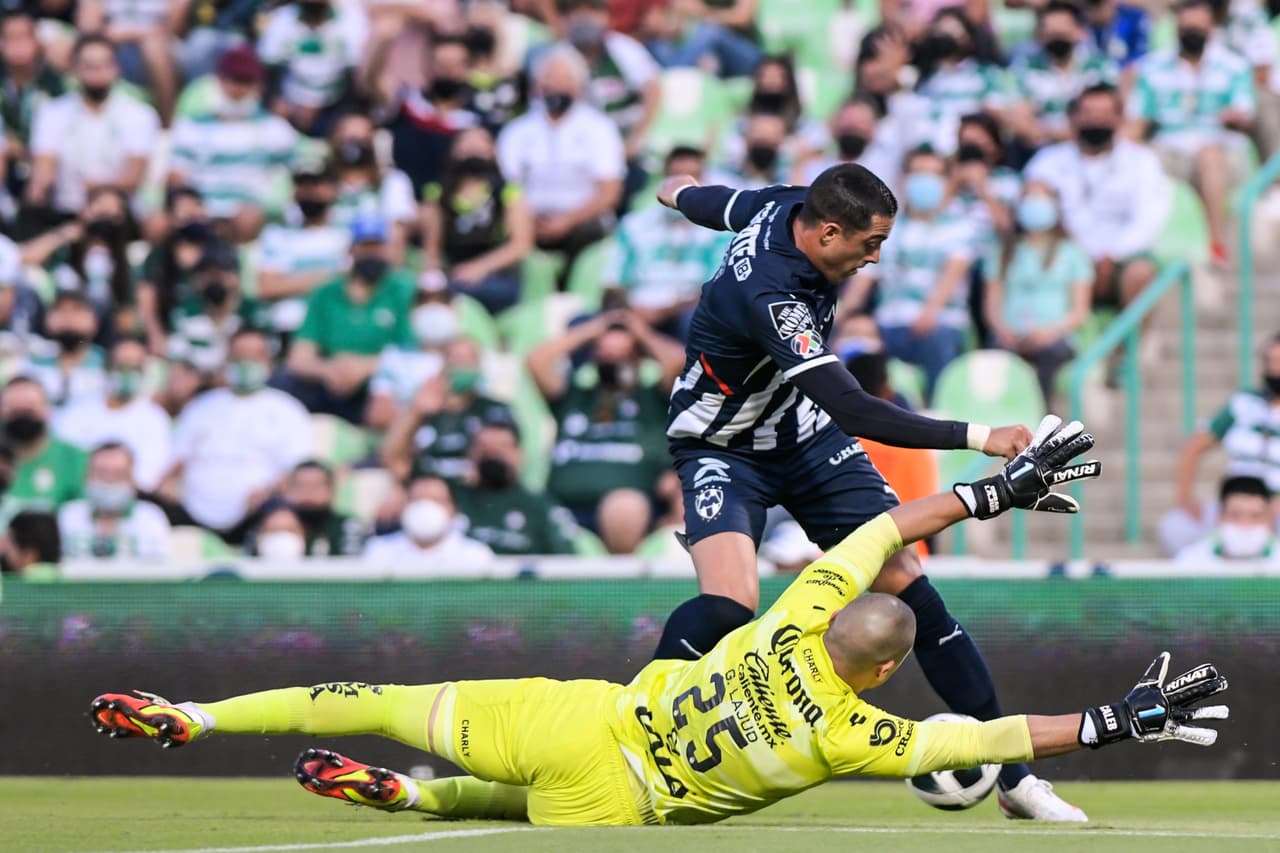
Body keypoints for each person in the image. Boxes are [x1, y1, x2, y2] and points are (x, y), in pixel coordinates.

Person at [94, 424, 1226, 828]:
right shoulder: (857, 736)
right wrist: (1120, 719)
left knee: (379, 702)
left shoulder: (795, 614)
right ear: (884, 678)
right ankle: (422, 801)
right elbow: (998, 737)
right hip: (618, 801)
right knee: (524, 811)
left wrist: (993, 487)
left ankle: (196, 716)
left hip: (572, 714)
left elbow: (880, 531)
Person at [650, 163, 1084, 819]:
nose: (874, 258)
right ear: (826, 233)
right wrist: (980, 434)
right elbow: (858, 410)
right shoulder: (774, 297)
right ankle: (634, 720)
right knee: (729, 602)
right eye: (869, 243)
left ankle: (1014, 777)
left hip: (804, 436)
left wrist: (679, 191)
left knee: (908, 580)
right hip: (721, 445)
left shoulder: (786, 204)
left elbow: (717, 203)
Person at [527, 310, 683, 554]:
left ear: (640, 358)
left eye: (623, 356)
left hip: (629, 513)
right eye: (606, 355)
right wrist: (594, 330)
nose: (613, 362)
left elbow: (680, 362)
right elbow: (537, 360)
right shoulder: (575, 397)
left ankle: (618, 583)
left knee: (624, 506)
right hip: (563, 507)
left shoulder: (653, 399)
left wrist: (640, 333)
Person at [1127, 0, 1254, 266]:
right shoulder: (1152, 68)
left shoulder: (1234, 67)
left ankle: (1217, 245)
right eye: (1186, 28)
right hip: (1169, 148)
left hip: (1221, 151)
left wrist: (1232, 118)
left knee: (1209, 156)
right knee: (1135, 160)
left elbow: (1244, 114)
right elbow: (1137, 120)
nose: (1191, 33)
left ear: (1212, 28)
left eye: (1198, 27)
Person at [1024, 83, 1167, 311]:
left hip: (1119, 259)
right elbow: (1034, 216)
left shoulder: (1142, 162)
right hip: (1064, 257)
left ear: (1120, 119)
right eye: (1088, 114)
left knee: (1140, 273)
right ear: (1073, 119)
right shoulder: (1047, 162)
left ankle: (1137, 347)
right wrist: (1081, 256)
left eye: (1104, 114)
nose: (1096, 121)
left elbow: (1148, 220)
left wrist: (1111, 255)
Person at [497, 44, 625, 291]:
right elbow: (508, 186)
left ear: (578, 86)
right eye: (549, 79)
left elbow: (609, 192)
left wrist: (568, 220)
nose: (555, 86)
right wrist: (527, 221)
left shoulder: (599, 129)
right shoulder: (516, 132)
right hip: (528, 222)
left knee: (591, 235)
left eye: (563, 79)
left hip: (583, 223)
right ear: (536, 86)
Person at [165, 328, 313, 542]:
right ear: (227, 360)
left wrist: (270, 491)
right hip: (191, 512)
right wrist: (168, 483)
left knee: (282, 519)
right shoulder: (200, 406)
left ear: (269, 362)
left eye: (254, 356)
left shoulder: (288, 409)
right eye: (239, 356)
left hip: (256, 514)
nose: (246, 363)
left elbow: (298, 471)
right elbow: (177, 460)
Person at [852, 147, 973, 401]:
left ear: (946, 181)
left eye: (934, 173)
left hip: (939, 322)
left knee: (937, 338)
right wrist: (843, 316)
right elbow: (863, 282)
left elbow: (951, 277)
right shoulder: (886, 228)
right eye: (918, 172)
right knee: (852, 340)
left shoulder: (960, 226)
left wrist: (928, 313)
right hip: (888, 324)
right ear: (904, 179)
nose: (925, 180)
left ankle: (938, 417)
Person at [281, 215, 415, 423]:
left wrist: (365, 367)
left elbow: (414, 352)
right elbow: (299, 357)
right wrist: (328, 370)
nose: (372, 254)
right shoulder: (326, 292)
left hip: (381, 381)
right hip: (331, 381)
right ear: (351, 249)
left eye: (377, 246)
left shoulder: (404, 288)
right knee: (283, 384)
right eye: (365, 246)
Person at [1160, 334, 1280, 555]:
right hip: (1233, 501)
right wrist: (1185, 498)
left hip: (1275, 506)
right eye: (1269, 362)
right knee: (1176, 527)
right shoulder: (1245, 402)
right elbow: (1194, 448)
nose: (1274, 370)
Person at [167, 45, 297, 242]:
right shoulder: (191, 127)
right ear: (218, 81)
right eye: (233, 80)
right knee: (159, 222)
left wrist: (268, 203)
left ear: (258, 85)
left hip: (250, 211)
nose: (238, 89)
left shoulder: (275, 129)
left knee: (248, 218)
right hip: (201, 208)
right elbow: (178, 175)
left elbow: (293, 174)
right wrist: (188, 203)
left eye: (246, 81)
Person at [24, 33, 160, 221]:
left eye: (104, 65)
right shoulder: (52, 112)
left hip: (118, 213)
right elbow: (44, 164)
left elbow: (134, 176)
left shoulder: (139, 114)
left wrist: (97, 188)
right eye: (89, 66)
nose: (98, 73)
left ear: (116, 68)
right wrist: (39, 187)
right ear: (75, 69)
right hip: (66, 211)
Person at [604, 146, 732, 340]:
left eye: (693, 177)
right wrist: (631, 311)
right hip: (636, 310)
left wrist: (664, 311)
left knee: (700, 320)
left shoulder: (721, 232)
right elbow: (614, 284)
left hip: (687, 313)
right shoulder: (633, 225)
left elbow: (714, 290)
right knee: (586, 323)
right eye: (676, 176)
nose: (684, 185)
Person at [983, 182, 1093, 405]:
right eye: (1029, 197)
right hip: (1010, 336)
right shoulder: (1003, 252)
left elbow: (1079, 312)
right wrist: (1004, 331)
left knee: (1049, 356)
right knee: (996, 361)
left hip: (1055, 337)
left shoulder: (1072, 253)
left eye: (1042, 197)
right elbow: (991, 307)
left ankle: (1040, 420)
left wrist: (1049, 332)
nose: (1034, 203)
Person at [421, 127, 534, 316]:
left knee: (459, 291)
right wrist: (430, 280)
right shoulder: (439, 194)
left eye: (479, 143)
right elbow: (431, 249)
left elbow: (521, 246)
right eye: (466, 143)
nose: (472, 149)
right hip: (454, 275)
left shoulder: (509, 192)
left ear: (492, 150)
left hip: (498, 278)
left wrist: (479, 268)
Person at [844, 351, 939, 559]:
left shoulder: (831, 443)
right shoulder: (913, 446)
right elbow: (931, 515)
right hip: (907, 557)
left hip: (840, 556)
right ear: (886, 390)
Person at [381, 335, 513, 483]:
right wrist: (415, 412)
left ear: (479, 366)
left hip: (476, 493)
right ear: (443, 364)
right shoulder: (422, 412)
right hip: (427, 490)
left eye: (468, 359)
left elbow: (511, 465)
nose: (461, 365)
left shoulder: (495, 411)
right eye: (455, 358)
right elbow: (395, 462)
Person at [54, 336, 172, 493]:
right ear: (107, 368)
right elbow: (62, 460)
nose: (128, 373)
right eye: (121, 366)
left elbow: (149, 477)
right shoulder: (77, 410)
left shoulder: (155, 418)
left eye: (136, 367)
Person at [453, 418, 579, 556]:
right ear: (471, 454)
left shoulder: (540, 506)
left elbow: (567, 562)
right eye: (484, 449)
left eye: (502, 448)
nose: (493, 455)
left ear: (519, 455)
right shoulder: (453, 499)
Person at [1009, 1, 1120, 151]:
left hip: (1093, 147)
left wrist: (1053, 133)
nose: (1057, 40)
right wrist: (1061, 135)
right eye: (1051, 34)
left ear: (1080, 32)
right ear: (1040, 36)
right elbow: (1021, 122)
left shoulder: (1100, 66)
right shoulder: (1025, 67)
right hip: (1042, 151)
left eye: (1062, 34)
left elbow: (1111, 114)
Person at [256, 162, 350, 336]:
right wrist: (325, 278)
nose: (309, 192)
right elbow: (267, 287)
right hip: (290, 326)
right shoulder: (277, 234)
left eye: (316, 184)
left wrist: (291, 282)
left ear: (333, 189)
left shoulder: (348, 231)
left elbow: (353, 281)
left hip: (337, 326)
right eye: (302, 185)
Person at [258, 0, 367, 137]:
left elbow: (355, 76)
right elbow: (268, 69)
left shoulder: (350, 20)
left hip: (336, 105)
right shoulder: (281, 18)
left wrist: (347, 113)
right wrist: (277, 101)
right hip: (289, 104)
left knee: (355, 127)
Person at [57, 441, 170, 560]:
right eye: (102, 473)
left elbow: (158, 569)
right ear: (87, 476)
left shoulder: (150, 518)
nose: (109, 482)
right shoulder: (68, 516)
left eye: (118, 474)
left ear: (131, 479)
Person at [362, 473, 494, 570]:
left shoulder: (476, 555)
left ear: (454, 510)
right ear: (404, 507)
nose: (426, 508)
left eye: (436, 500)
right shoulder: (378, 551)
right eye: (418, 500)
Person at [0, 376, 87, 519]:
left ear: (48, 409)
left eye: (30, 407)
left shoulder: (75, 459)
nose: (22, 415)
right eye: (13, 408)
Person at [19, 289, 106, 408]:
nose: (68, 317)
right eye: (60, 310)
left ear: (94, 321)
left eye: (77, 309)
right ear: (47, 319)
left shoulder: (108, 365)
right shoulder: (31, 366)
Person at [1177, 475, 1280, 564]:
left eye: (1255, 516)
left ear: (1270, 519)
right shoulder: (1191, 561)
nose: (1245, 525)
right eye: (1235, 515)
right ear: (1219, 517)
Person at [281, 459, 368, 557]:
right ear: (288, 490)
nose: (307, 492)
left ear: (332, 490)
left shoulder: (349, 525)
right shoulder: (276, 526)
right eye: (300, 486)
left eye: (315, 486)